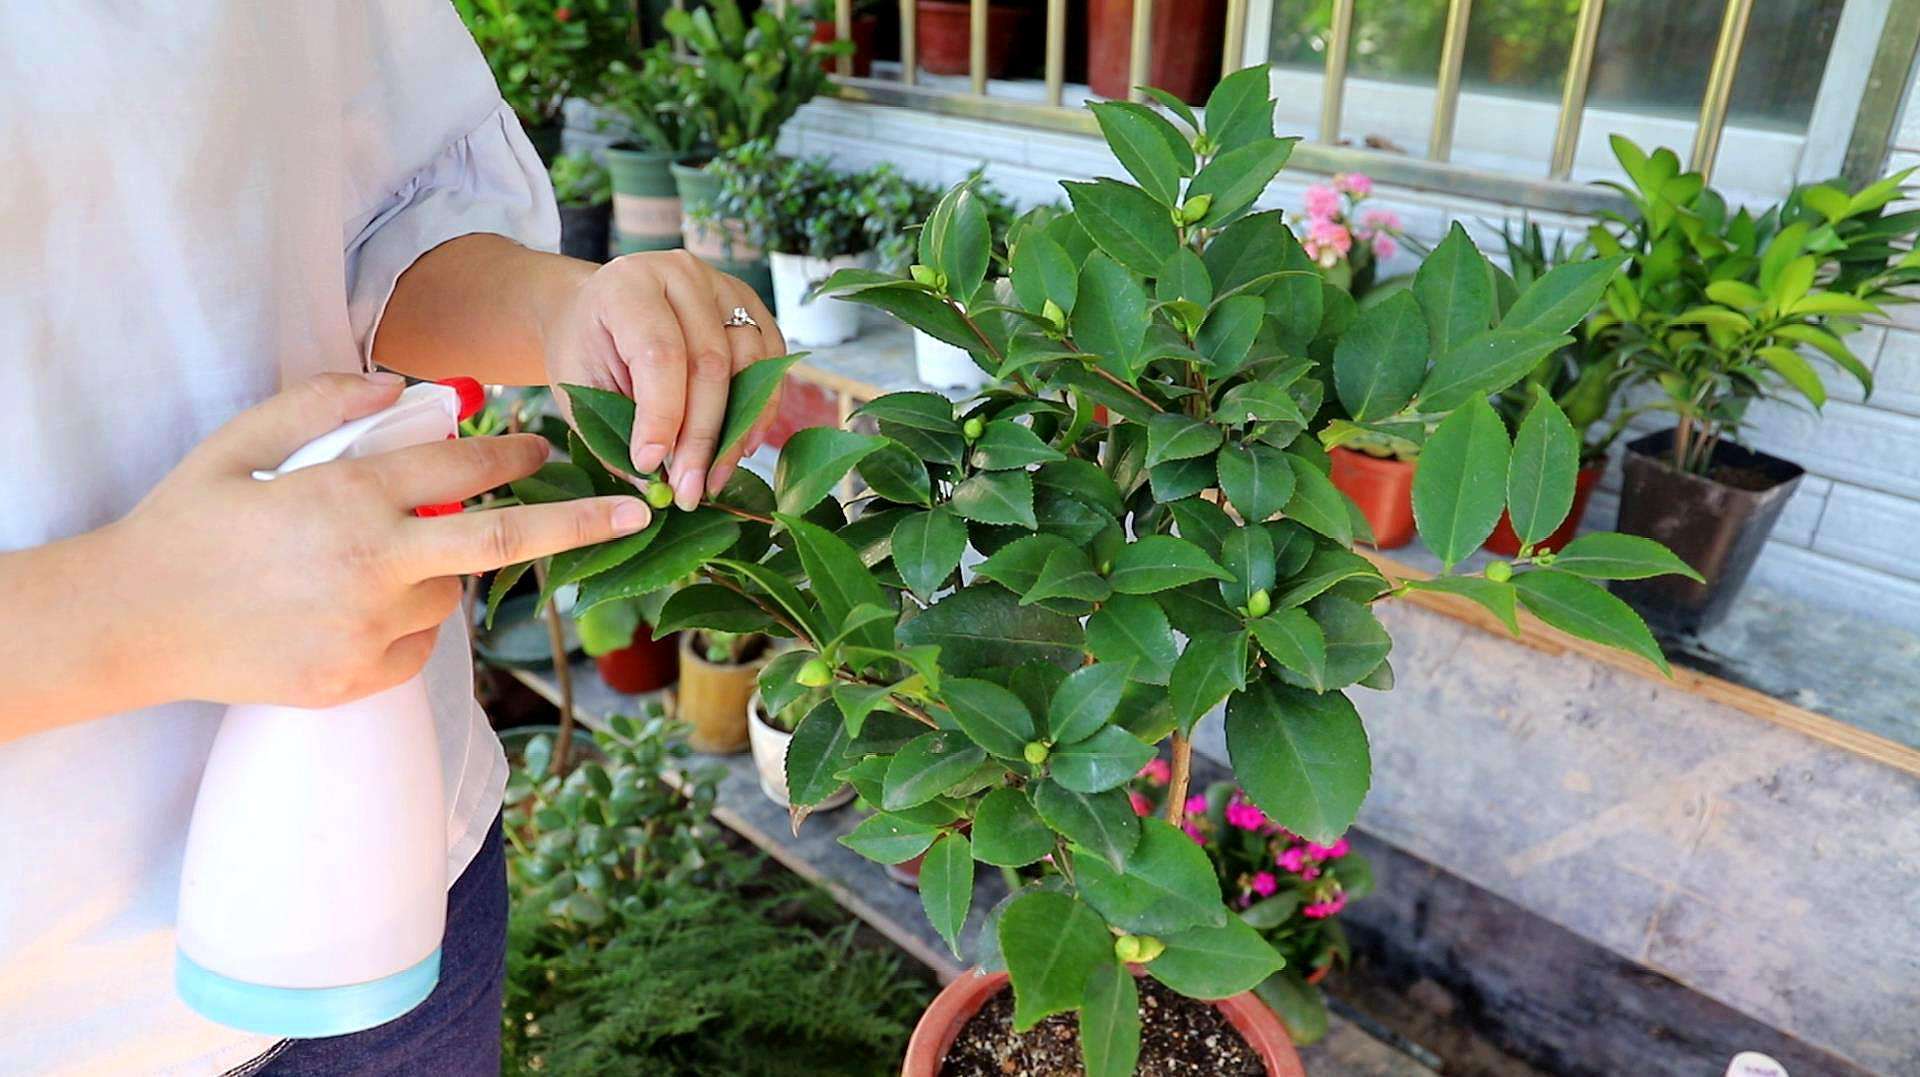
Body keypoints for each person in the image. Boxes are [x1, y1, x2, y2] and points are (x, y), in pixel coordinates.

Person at [0, 4, 785, 1073]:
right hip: (53, 1006)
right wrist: (130, 612)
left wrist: (566, 310)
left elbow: (373, 217)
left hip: (393, 860)